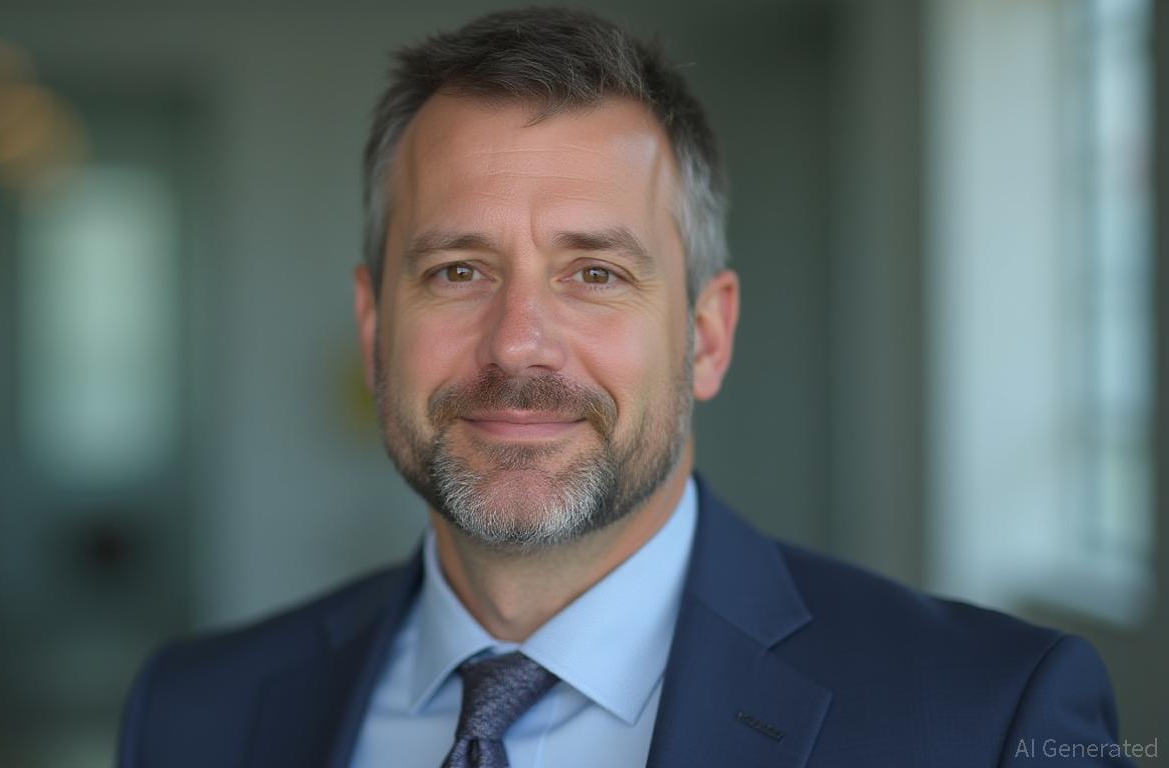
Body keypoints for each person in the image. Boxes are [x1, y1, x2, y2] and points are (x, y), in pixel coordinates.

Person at [117, 8, 1131, 767]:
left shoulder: (989, 721)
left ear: (706, 336)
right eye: (458, 270)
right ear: (376, 327)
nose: (520, 344)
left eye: (595, 273)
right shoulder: (191, 714)